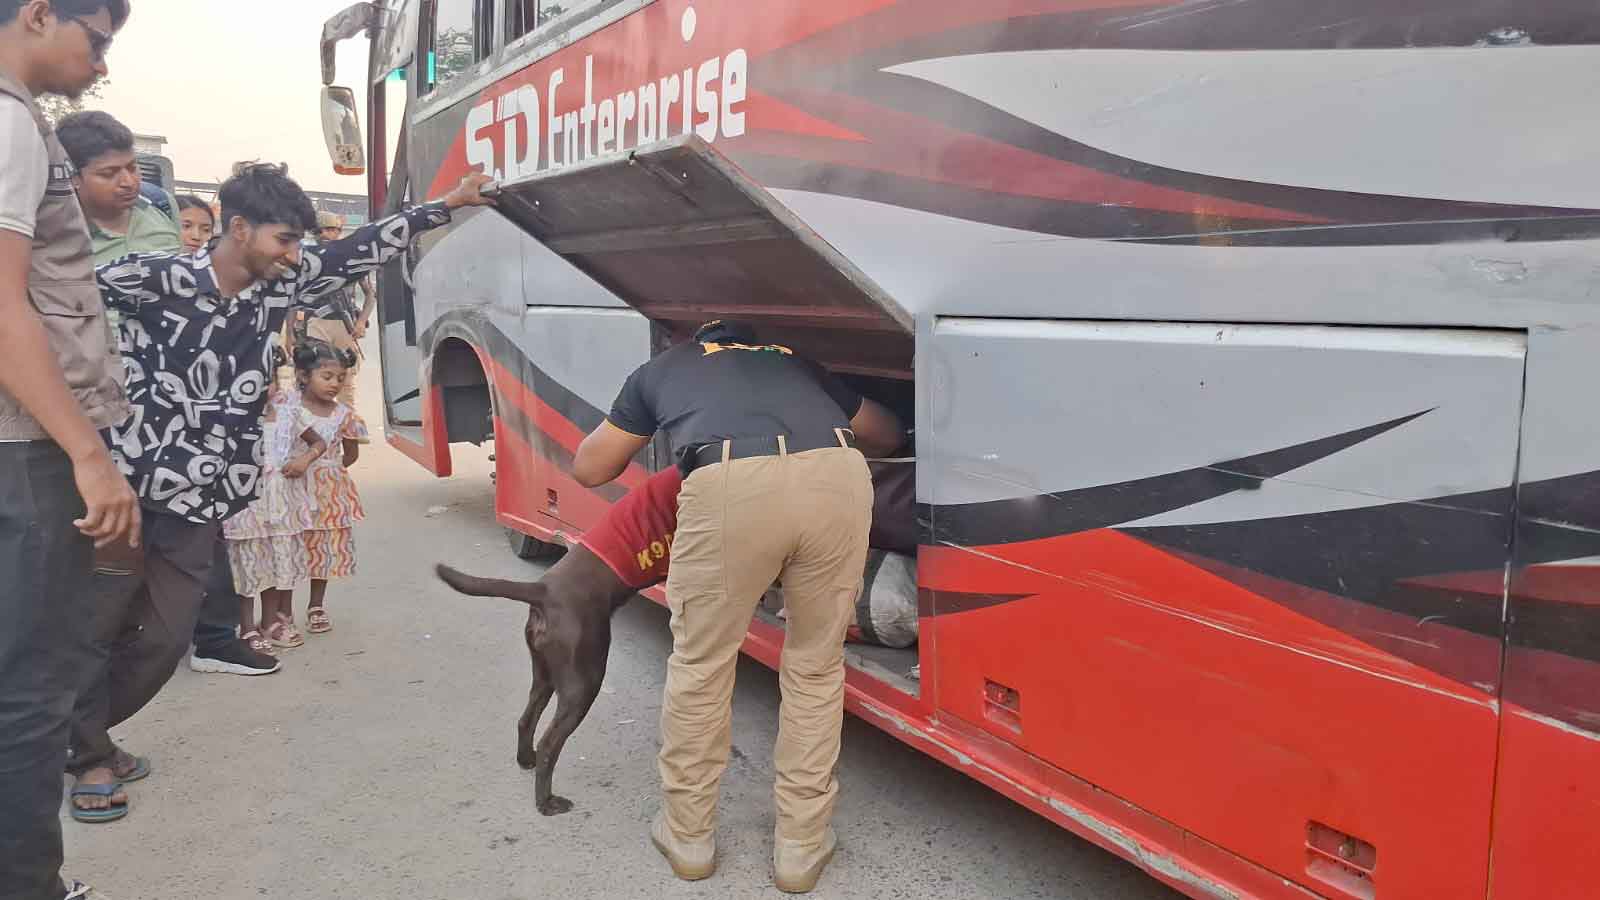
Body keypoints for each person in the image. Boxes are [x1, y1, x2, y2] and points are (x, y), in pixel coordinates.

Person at [61, 162, 496, 823]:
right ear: (239, 229)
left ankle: (76, 736)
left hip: (206, 498)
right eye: (285, 240)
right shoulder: (154, 279)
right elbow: (50, 297)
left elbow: (359, 248)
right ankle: (88, 755)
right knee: (94, 625)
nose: (296, 255)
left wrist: (447, 204)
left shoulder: (277, 284)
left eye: (298, 243)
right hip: (127, 482)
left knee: (166, 636)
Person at [570, 319, 904, 893]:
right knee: (815, 667)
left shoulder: (660, 370)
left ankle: (689, 837)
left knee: (702, 666)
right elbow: (887, 431)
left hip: (729, 480)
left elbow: (590, 468)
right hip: (838, 476)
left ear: (698, 340)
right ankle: (800, 847)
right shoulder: (792, 358)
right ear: (755, 343)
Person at [0, 0, 136, 895]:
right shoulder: (13, 126)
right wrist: (87, 452)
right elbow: (5, 307)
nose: (98, 67)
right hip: (26, 445)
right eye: (97, 41)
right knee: (31, 693)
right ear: (42, 13)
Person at [224, 363, 325, 654]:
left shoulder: (288, 414)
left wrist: (304, 460)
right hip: (246, 506)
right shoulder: (232, 416)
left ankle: (272, 622)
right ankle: (246, 627)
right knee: (247, 565)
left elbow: (318, 443)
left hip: (282, 504)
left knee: (277, 562)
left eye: (265, 382)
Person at [292, 339, 367, 635]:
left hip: (329, 492)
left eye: (340, 378)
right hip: (292, 486)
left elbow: (351, 454)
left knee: (321, 549)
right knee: (288, 544)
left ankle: (315, 605)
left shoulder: (344, 415)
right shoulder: (289, 409)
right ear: (303, 376)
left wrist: (328, 472)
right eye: (327, 377)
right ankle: (280, 610)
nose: (335, 384)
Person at [53, 108, 178, 262]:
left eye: (132, 168)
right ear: (73, 177)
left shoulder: (163, 207)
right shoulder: (53, 240)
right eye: (109, 174)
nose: (129, 182)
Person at [299, 210, 373, 406]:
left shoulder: (352, 259)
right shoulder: (307, 260)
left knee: (345, 376)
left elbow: (370, 294)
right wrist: (291, 331)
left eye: (335, 230)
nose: (329, 235)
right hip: (316, 322)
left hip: (344, 324)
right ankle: (315, 422)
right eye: (326, 230)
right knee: (315, 372)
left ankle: (347, 425)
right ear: (316, 232)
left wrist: (361, 321)